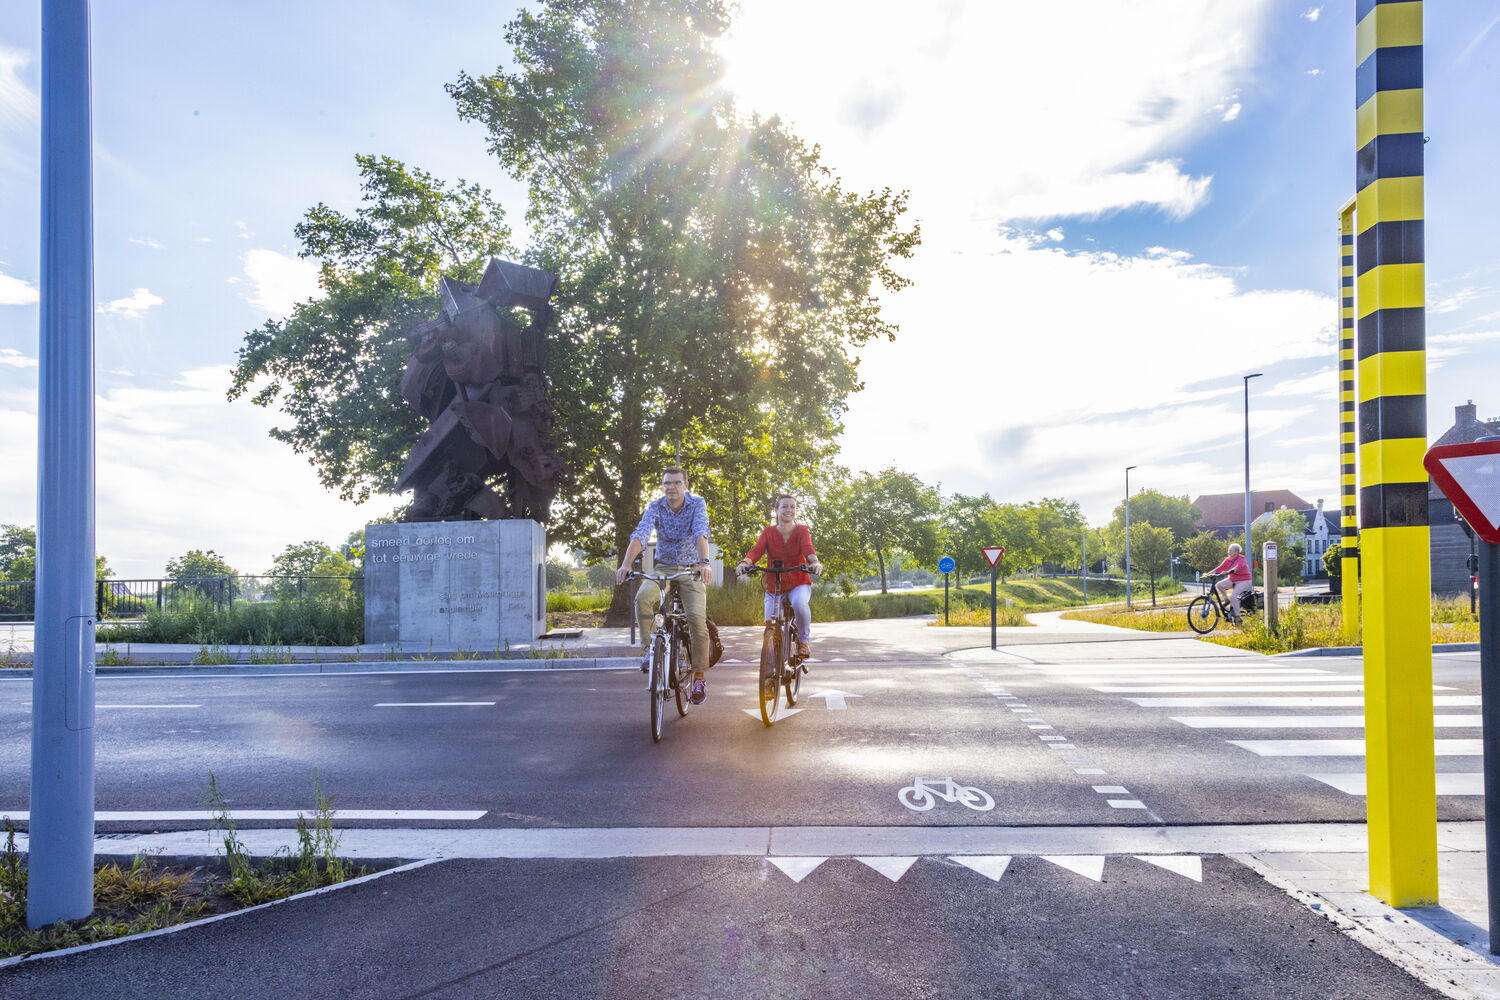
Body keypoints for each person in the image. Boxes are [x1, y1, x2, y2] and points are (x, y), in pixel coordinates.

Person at [616, 467, 715, 704]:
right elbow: (640, 535)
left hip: (691, 568)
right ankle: (651, 651)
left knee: (695, 619)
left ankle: (699, 677)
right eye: (667, 483)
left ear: (685, 485)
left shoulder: (696, 504)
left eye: (676, 483)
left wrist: (704, 563)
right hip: (664, 568)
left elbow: (701, 533)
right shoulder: (655, 506)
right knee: (643, 599)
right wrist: (626, 564)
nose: (671, 487)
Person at [736, 494, 822, 660]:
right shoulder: (768, 532)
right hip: (773, 585)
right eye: (784, 506)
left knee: (799, 603)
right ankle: (772, 668)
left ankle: (803, 641)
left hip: (798, 582)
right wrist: (744, 563)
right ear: (776, 510)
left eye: (792, 507)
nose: (789, 510)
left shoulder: (802, 530)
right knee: (771, 625)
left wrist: (815, 562)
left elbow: (808, 549)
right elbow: (757, 550)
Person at [1207, 542, 1252, 623]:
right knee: (1219, 585)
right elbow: (1218, 568)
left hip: (1244, 580)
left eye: (1230, 550)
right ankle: (1226, 600)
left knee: (1234, 597)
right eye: (1228, 550)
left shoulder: (1241, 559)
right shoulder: (1227, 560)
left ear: (1236, 552)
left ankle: (1238, 618)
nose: (1228, 552)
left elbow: (1238, 567)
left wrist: (1229, 571)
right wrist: (1207, 574)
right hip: (1232, 579)